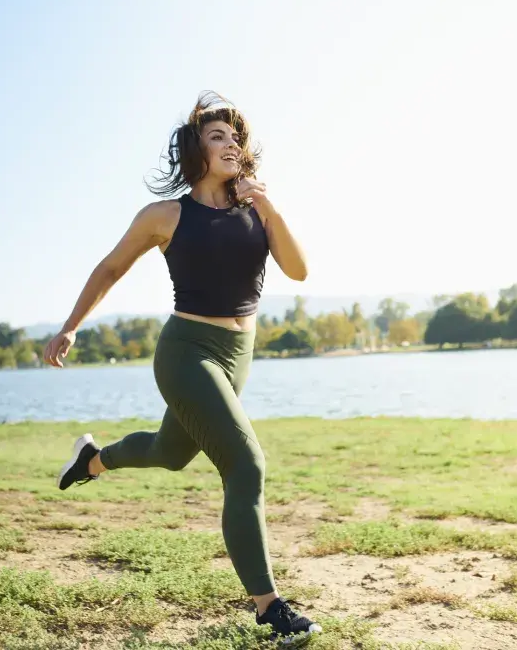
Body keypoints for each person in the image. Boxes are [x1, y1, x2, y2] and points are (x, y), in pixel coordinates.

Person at [43, 91, 321, 644]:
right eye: (217, 136)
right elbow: (111, 267)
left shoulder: (255, 211)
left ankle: (93, 460)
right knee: (245, 466)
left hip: (238, 356)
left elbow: (299, 270)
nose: (230, 144)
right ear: (196, 150)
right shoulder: (166, 215)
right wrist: (72, 324)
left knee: (170, 454)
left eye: (234, 137)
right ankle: (269, 607)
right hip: (187, 351)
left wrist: (266, 205)